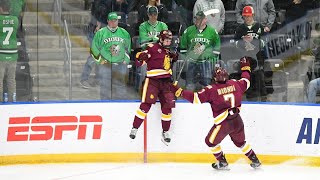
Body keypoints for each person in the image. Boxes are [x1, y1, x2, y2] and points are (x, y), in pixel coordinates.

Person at [170, 56, 261, 170]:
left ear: (214, 78)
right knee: (241, 142)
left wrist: (179, 91)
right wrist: (245, 67)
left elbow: (195, 98)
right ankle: (255, 160)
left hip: (223, 123)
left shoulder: (211, 90)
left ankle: (222, 162)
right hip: (237, 120)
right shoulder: (235, 84)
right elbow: (246, 80)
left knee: (210, 142)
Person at [129, 30, 179, 144]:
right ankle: (135, 128)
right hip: (153, 81)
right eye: (166, 40)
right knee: (145, 105)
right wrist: (141, 56)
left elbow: (170, 62)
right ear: (160, 39)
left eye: (169, 40)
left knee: (168, 107)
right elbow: (139, 61)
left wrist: (174, 56)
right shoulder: (152, 47)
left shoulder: (169, 51)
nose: (168, 42)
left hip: (166, 82)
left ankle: (165, 131)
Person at [90, 12, 131, 100]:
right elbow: (94, 49)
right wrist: (100, 61)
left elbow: (128, 48)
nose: (113, 22)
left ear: (117, 21)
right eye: (111, 20)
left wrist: (126, 59)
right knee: (105, 86)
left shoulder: (124, 33)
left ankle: (121, 106)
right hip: (106, 65)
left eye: (115, 20)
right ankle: (105, 107)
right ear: (108, 21)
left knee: (121, 87)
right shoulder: (101, 33)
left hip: (120, 64)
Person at [234, 5, 271, 101]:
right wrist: (243, 42)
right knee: (247, 77)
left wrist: (253, 40)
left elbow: (263, 43)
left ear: (253, 15)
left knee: (259, 75)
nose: (247, 18)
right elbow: (235, 43)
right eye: (245, 16)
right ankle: (250, 98)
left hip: (257, 56)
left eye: (248, 16)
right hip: (245, 56)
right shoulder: (240, 29)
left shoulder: (259, 27)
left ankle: (263, 97)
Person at [180, 11, 221, 91]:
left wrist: (210, 57)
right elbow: (182, 48)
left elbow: (217, 48)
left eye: (201, 19)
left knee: (207, 86)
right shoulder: (189, 31)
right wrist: (187, 57)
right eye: (197, 19)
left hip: (206, 62)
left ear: (205, 19)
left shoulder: (212, 32)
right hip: (192, 62)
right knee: (189, 86)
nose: (198, 21)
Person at [0, 1, 19, 102]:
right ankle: (12, 101)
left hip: (2, 54)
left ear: (1, 8)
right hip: (13, 53)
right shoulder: (15, 19)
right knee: (11, 80)